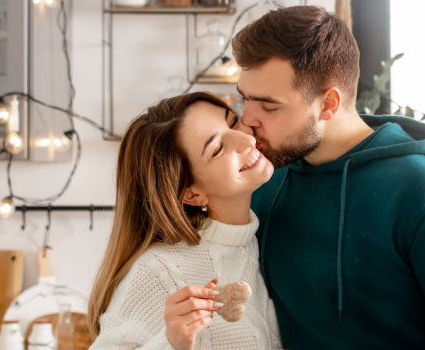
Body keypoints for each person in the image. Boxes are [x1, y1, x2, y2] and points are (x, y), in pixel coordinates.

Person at [231, 5, 425, 349]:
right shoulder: (266, 181)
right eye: (245, 99)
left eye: (268, 105)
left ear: (329, 104)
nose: (247, 119)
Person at [88, 92, 282, 349]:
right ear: (191, 194)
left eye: (233, 122)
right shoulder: (158, 270)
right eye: (218, 148)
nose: (246, 139)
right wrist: (172, 343)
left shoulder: (264, 235)